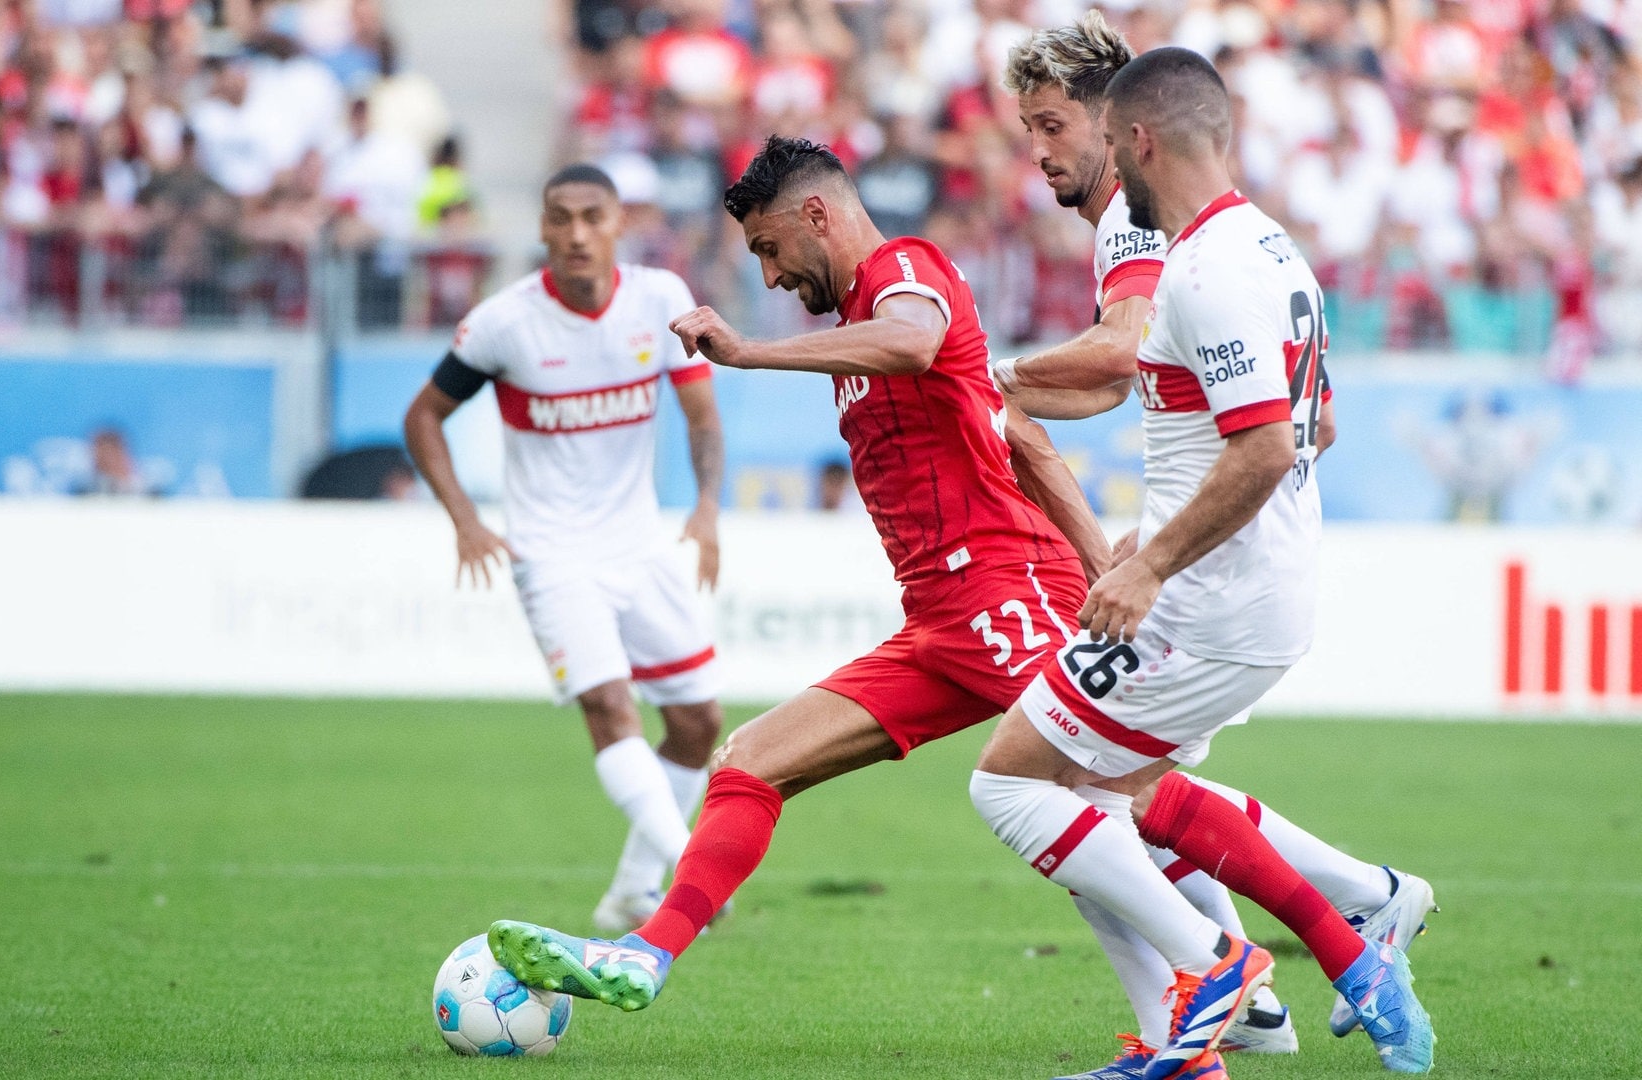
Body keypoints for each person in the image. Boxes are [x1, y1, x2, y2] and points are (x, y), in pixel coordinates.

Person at [485, 134, 1114, 1025]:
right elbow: (1018, 433)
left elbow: (910, 343)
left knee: (1119, 794)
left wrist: (747, 353)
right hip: (942, 620)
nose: (772, 277)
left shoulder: (908, 272)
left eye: (770, 250)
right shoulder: (859, 320)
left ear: (815, 215)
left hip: (1008, 588)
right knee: (746, 761)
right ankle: (645, 954)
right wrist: (1099, 552)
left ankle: (1339, 928)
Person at [965, 48, 1434, 1079]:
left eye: (1063, 131)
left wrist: (1152, 562)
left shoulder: (1205, 267)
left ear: (1135, 140)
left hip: (1210, 604)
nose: (1052, 155)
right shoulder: (1271, 249)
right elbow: (1319, 428)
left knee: (1013, 786)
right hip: (1248, 584)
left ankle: (1218, 970)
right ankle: (1326, 938)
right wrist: (1168, 527)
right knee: (1113, 792)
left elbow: (1268, 447)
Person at [403, 164, 728, 933]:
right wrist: (464, 517)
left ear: (620, 223)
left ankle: (630, 891)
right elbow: (422, 418)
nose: (577, 233)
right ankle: (691, 870)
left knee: (699, 722)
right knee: (610, 706)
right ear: (543, 228)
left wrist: (708, 508)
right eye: (561, 218)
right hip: (551, 553)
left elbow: (702, 418)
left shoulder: (661, 302)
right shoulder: (503, 324)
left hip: (639, 543)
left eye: (592, 216)